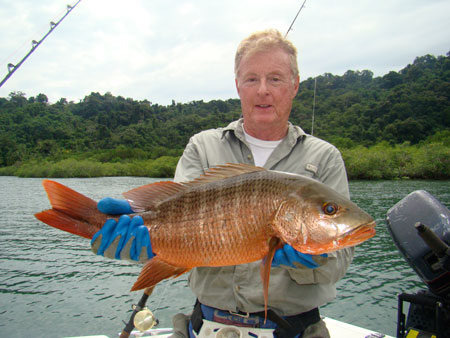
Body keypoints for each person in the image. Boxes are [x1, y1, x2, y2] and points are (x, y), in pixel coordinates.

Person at [92, 29, 353, 338]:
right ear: (238, 86)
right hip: (207, 327)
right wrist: (136, 242)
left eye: (276, 79)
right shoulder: (202, 147)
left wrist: (313, 258)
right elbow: (172, 228)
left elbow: (339, 262)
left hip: (296, 329)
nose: (263, 91)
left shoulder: (325, 158)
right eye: (252, 79)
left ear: (295, 85)